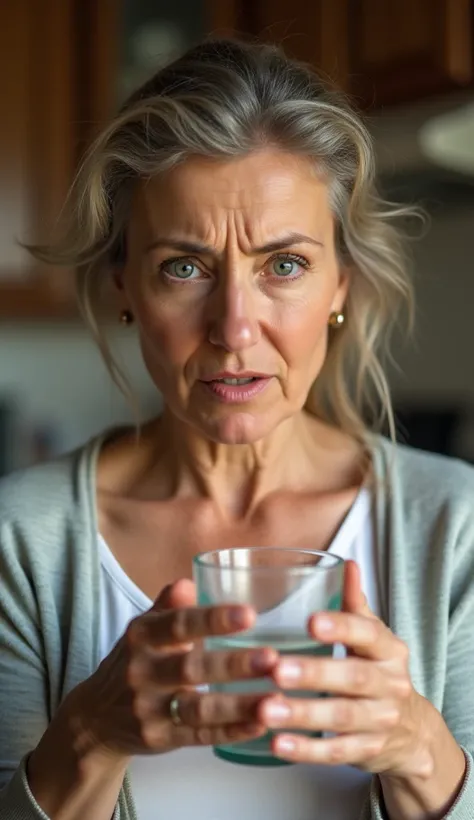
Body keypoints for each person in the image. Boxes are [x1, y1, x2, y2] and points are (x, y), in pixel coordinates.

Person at [0, 38, 473, 820]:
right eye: (183, 267)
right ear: (124, 282)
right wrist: (92, 731)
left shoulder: (455, 529)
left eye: (283, 265)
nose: (234, 328)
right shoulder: (21, 538)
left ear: (339, 284)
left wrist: (415, 745)